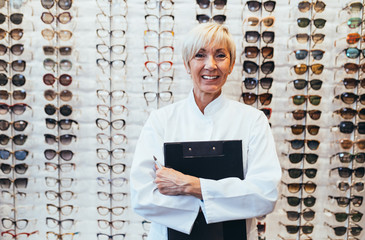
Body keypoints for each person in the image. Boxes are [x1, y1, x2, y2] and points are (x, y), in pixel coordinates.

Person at [130, 22, 281, 240]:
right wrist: (229, 197)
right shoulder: (161, 121)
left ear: (231, 64)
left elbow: (265, 195)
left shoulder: (252, 121)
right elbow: (143, 197)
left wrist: (191, 186)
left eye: (220, 55)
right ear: (186, 64)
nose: (210, 65)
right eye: (200, 55)